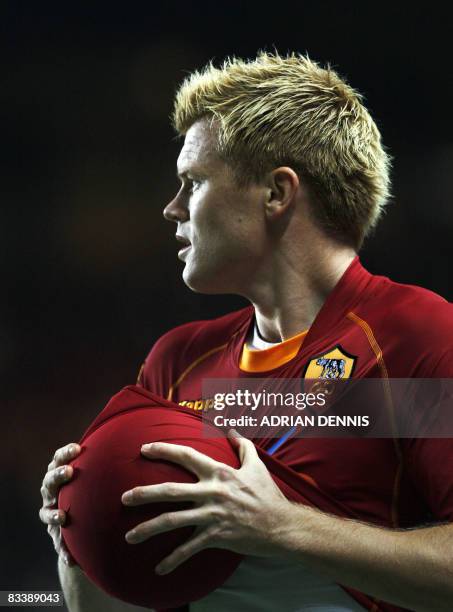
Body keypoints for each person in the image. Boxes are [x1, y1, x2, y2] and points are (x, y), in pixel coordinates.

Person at [39, 52, 453, 611]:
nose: (171, 208)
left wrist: (280, 527)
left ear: (277, 194)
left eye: (193, 182)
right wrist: (77, 532)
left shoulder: (415, 335)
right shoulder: (178, 360)